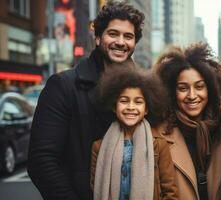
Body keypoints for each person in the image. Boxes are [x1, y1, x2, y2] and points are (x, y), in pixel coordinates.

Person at [27, 2, 145, 199]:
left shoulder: (143, 91)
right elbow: (42, 161)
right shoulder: (63, 86)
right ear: (98, 38)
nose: (121, 42)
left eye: (128, 36)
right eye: (113, 34)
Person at [154, 43, 221, 200]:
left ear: (211, 89)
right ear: (171, 92)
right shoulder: (157, 135)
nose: (192, 95)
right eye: (183, 88)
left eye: (200, 87)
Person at [91, 67, 178, 200]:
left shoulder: (159, 145)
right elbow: (94, 187)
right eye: (124, 101)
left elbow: (170, 191)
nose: (131, 107)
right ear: (114, 107)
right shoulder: (99, 146)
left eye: (138, 102)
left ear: (147, 108)